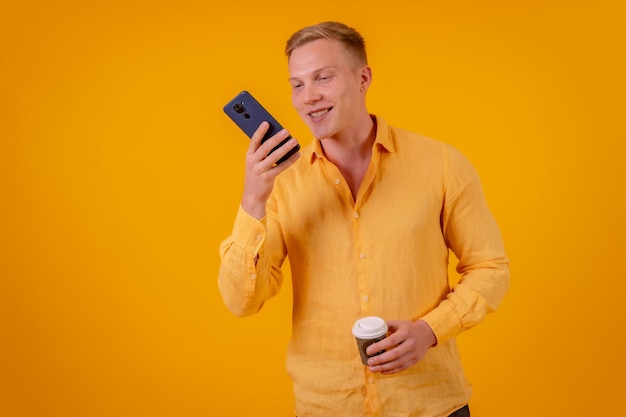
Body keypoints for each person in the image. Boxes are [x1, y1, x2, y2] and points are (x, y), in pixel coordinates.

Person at [218, 21, 509, 417]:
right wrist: (253, 197)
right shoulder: (282, 184)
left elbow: (490, 268)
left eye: (323, 78)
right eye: (297, 84)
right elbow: (241, 302)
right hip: (326, 406)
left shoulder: (441, 164)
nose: (309, 97)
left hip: (429, 406)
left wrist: (430, 330)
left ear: (363, 78)